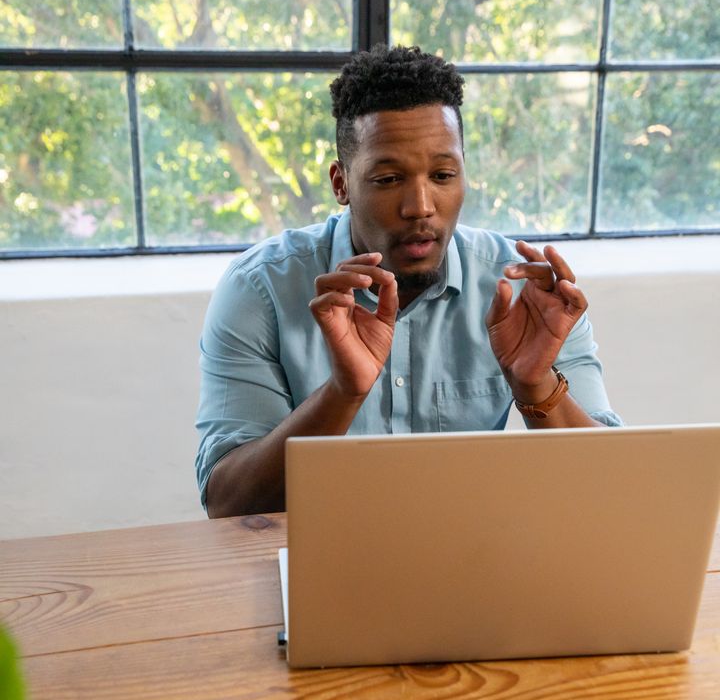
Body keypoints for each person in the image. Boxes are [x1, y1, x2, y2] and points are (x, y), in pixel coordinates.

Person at [196, 44, 621, 517]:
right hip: (319, 560)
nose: (420, 205)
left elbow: (609, 487)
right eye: (388, 179)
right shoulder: (260, 290)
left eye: (442, 174)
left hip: (475, 559)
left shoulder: (527, 292)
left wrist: (537, 385)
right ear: (341, 184)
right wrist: (342, 392)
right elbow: (227, 502)